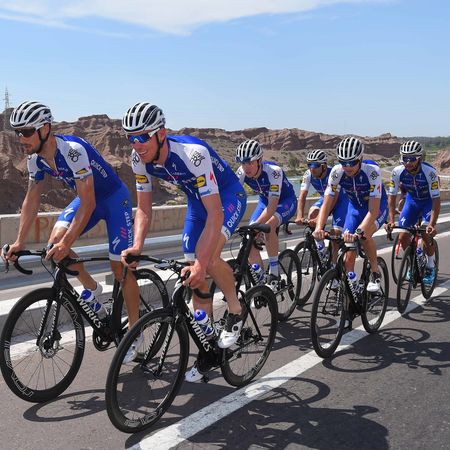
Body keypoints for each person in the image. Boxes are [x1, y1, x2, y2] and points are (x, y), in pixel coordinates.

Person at [120, 102, 247, 380]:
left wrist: (202, 262)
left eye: (142, 137)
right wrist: (137, 245)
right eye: (131, 138)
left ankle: (236, 309)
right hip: (197, 203)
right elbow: (144, 209)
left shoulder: (193, 154)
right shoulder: (139, 159)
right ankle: (209, 348)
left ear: (160, 133)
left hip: (226, 198)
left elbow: (216, 213)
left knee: (207, 260)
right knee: (194, 275)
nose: (136, 144)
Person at [1, 101, 139, 343]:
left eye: (26, 131)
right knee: (54, 243)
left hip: (114, 199)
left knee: (120, 269)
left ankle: (135, 331)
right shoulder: (35, 159)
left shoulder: (73, 151)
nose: (21, 138)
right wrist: (19, 241)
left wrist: (67, 243)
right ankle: (93, 290)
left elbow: (89, 204)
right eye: (18, 132)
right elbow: (31, 199)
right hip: (88, 199)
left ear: (45, 129)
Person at [313, 137, 388, 293]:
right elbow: (326, 203)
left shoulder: (372, 172)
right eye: (343, 162)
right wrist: (319, 228)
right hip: (354, 209)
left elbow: (373, 211)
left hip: (376, 208)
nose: (347, 167)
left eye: (352, 162)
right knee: (348, 254)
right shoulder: (336, 172)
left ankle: (375, 272)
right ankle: (352, 288)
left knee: (365, 236)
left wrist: (359, 232)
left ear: (360, 159)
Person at [235, 139, 297, 288]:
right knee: (248, 237)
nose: (246, 167)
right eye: (243, 163)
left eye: (250, 162)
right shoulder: (241, 172)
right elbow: (234, 197)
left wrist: (257, 226)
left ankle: (274, 273)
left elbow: (272, 206)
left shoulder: (273, 172)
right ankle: (261, 280)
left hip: (285, 201)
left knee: (268, 225)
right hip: (264, 202)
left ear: (259, 160)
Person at [385, 140, 440, 286]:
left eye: (412, 159)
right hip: (412, 201)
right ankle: (413, 261)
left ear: (419, 158)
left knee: (425, 233)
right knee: (403, 236)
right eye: (405, 158)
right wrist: (391, 220)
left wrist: (432, 224)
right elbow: (392, 197)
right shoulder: (397, 172)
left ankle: (430, 265)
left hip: (428, 202)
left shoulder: (430, 172)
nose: (408, 162)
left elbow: (436, 200)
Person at [295, 149, 348, 265]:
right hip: (325, 199)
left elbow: (333, 201)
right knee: (312, 213)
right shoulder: (308, 174)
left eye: (315, 165)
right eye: (309, 165)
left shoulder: (334, 174)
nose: (312, 168)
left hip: (340, 201)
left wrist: (319, 219)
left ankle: (334, 266)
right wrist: (299, 216)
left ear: (324, 166)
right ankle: (321, 249)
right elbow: (302, 196)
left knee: (335, 234)